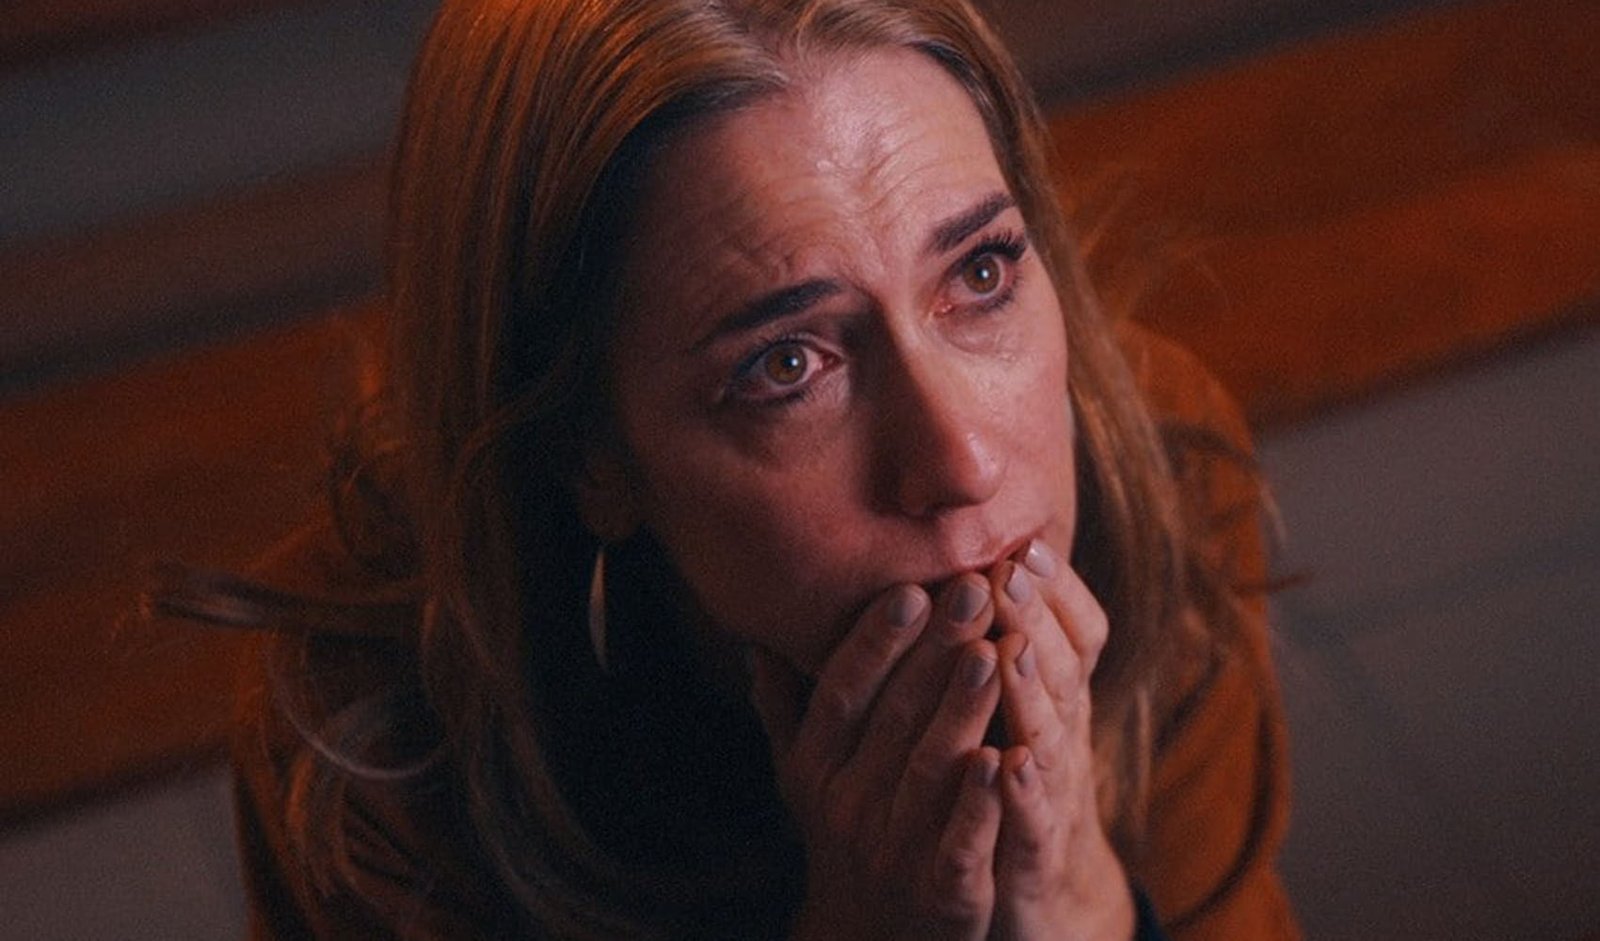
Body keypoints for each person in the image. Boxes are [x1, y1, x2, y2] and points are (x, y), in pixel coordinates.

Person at [159, 0, 1302, 937]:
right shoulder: (373, 731)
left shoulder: (1148, 469)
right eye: (787, 363)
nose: (961, 458)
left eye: (981, 274)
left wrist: (1077, 902)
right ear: (588, 453)